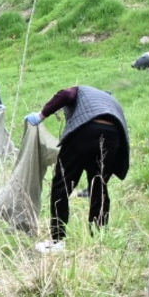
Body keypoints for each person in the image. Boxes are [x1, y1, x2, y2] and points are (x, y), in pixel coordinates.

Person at [25, 86, 129, 253]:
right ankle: (99, 238)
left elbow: (65, 94)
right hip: (113, 135)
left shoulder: (80, 90)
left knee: (62, 185)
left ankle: (57, 240)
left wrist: (41, 115)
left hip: (85, 132)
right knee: (99, 186)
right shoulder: (111, 101)